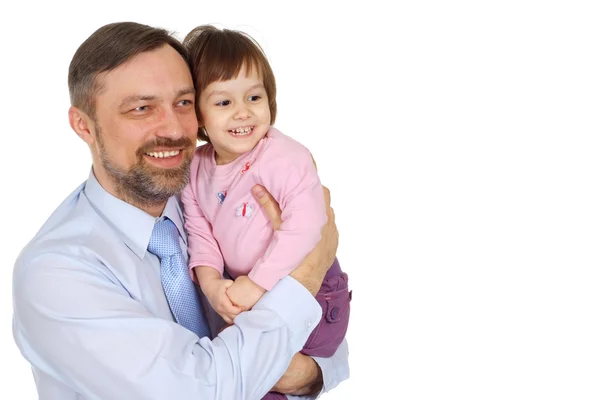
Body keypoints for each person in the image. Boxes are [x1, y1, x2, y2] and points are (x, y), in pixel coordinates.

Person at [11, 21, 349, 400]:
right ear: (83, 126)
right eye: (141, 108)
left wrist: (306, 373)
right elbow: (200, 390)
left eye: (184, 103)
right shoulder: (55, 272)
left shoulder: (215, 199)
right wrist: (305, 276)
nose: (173, 128)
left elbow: (325, 342)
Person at [179, 25, 351, 400]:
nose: (243, 112)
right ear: (198, 116)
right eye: (224, 103)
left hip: (315, 293)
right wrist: (211, 285)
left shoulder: (283, 156)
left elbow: (307, 228)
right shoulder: (194, 170)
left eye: (254, 97)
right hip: (251, 297)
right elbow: (200, 233)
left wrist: (255, 286)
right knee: (246, 377)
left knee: (248, 367)